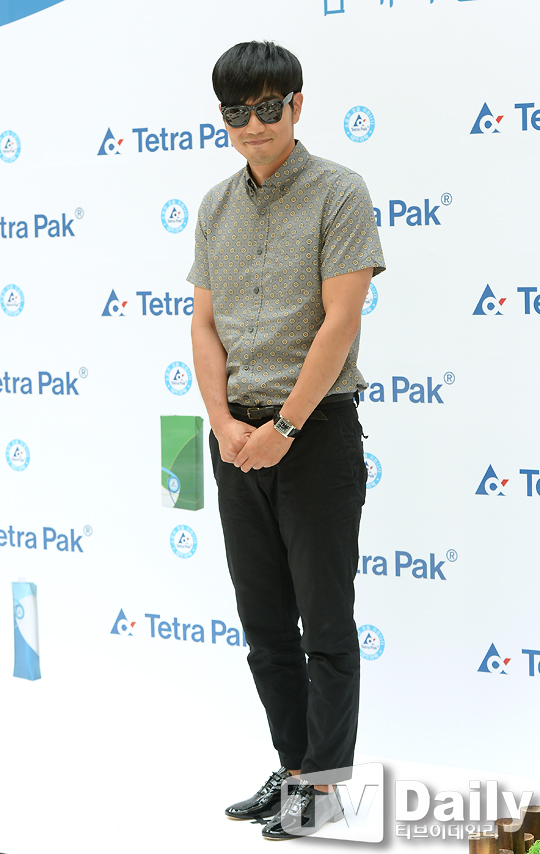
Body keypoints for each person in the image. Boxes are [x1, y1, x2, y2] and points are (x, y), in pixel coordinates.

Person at [189, 40, 385, 840]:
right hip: (236, 438)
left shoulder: (340, 191)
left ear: (297, 105)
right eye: (236, 112)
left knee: (326, 628)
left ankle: (324, 790)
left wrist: (286, 427)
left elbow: (342, 321)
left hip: (315, 434)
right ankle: (296, 769)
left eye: (268, 107)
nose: (253, 124)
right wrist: (224, 425)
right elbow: (203, 326)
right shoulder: (214, 206)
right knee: (265, 628)